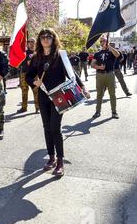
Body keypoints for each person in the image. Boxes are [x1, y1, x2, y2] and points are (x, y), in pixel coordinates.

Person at [26, 29, 89, 178]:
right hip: (43, 96)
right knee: (47, 128)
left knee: (55, 127)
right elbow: (28, 76)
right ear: (40, 40)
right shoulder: (36, 57)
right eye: (43, 37)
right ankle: (51, 157)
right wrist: (35, 81)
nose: (46, 39)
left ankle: (60, 161)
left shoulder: (60, 56)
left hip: (59, 96)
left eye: (49, 37)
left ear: (53, 39)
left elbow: (72, 74)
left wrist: (83, 88)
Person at [92, 36, 121, 119]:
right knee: (99, 94)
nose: (102, 43)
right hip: (99, 75)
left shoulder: (111, 51)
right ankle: (97, 111)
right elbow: (92, 64)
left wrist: (109, 46)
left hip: (110, 74)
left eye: (103, 41)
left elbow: (117, 54)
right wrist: (99, 67)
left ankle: (114, 112)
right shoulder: (97, 54)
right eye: (101, 41)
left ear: (107, 41)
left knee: (112, 94)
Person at [17, 38, 39, 114]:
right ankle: (24, 107)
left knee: (36, 91)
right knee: (24, 91)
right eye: (28, 41)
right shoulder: (24, 53)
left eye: (32, 41)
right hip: (24, 73)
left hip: (34, 75)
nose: (30, 43)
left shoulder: (38, 53)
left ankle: (37, 108)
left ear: (35, 43)